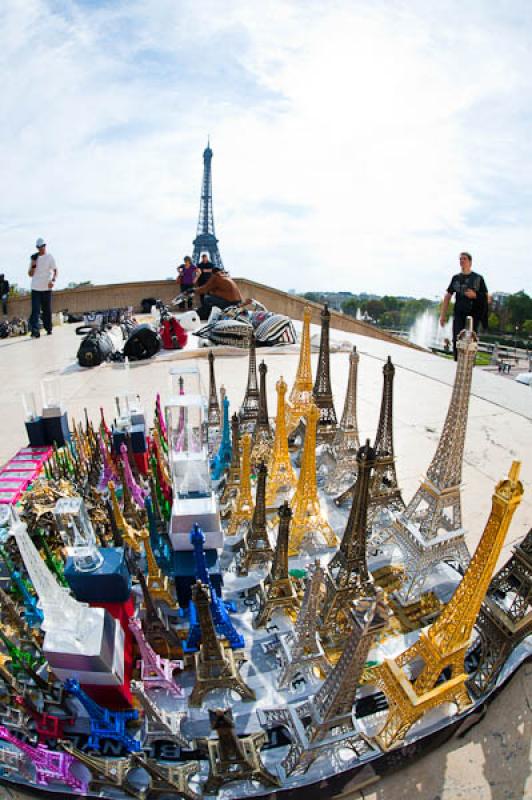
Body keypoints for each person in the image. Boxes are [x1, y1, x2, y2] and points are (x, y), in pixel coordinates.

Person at [440, 252, 488, 360]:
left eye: (464, 259)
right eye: (460, 259)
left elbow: (486, 297)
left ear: (470, 262)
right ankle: (457, 362)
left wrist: (475, 295)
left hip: (473, 315)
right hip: (459, 314)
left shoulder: (478, 278)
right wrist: (442, 315)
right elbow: (448, 296)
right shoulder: (456, 278)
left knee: (471, 340)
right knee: (457, 338)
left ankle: (470, 363)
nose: (462, 261)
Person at [28, 238, 58, 338]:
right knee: (35, 311)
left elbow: (55, 270)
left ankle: (48, 328)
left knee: (47, 310)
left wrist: (53, 280)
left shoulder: (50, 257)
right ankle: (35, 331)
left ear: (45, 245)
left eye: (43, 246)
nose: (41, 248)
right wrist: (33, 264)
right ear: (37, 248)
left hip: (47, 288)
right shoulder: (34, 258)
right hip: (36, 288)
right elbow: (30, 274)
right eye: (39, 247)